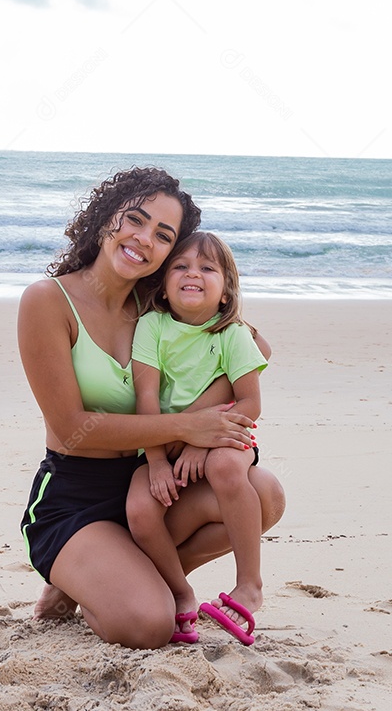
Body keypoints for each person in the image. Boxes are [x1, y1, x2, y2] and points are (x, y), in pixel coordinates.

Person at [17, 167, 285, 649]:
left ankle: (125, 574)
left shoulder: (158, 305)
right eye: (135, 220)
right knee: (147, 626)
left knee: (264, 495)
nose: (144, 239)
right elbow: (72, 426)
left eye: (163, 235)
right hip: (77, 497)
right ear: (105, 218)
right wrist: (189, 426)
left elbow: (256, 347)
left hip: (152, 483)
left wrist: (204, 424)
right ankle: (84, 579)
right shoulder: (48, 301)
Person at [127, 231, 268, 646]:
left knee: (226, 466)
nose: (193, 274)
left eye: (208, 268)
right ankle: (179, 589)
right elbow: (146, 397)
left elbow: (250, 402)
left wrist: (199, 443)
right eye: (181, 266)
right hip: (160, 447)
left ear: (226, 292)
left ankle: (250, 585)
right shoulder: (151, 326)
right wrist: (155, 462)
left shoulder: (231, 334)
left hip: (222, 438)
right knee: (139, 510)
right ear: (164, 286)